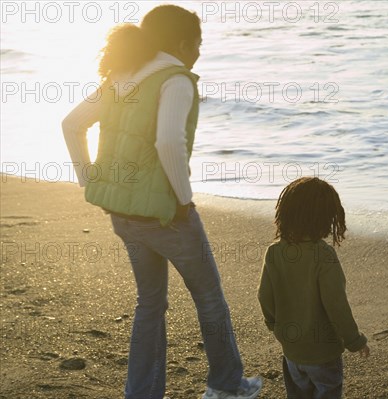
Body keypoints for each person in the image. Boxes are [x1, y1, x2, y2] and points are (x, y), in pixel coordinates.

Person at [62, 5, 262, 399]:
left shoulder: (120, 76)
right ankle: (226, 385)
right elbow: (169, 141)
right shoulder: (176, 80)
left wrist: (91, 181)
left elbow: (71, 124)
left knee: (149, 304)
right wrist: (184, 201)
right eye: (198, 43)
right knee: (209, 297)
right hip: (167, 216)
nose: (200, 51)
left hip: (122, 213)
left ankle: (141, 393)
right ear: (184, 43)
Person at [258, 177, 370, 399]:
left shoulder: (274, 252)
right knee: (327, 391)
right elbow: (336, 305)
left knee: (298, 393)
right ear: (326, 219)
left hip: (291, 350)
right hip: (323, 353)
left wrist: (275, 325)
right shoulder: (323, 256)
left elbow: (264, 297)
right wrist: (354, 341)